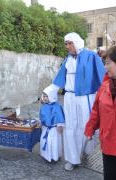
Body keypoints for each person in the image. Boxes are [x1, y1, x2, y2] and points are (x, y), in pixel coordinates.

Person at [43, 32, 105, 171]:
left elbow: (102, 77)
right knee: (70, 127)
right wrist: (47, 92)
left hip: (86, 97)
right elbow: (58, 79)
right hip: (70, 97)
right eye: (66, 44)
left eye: (70, 43)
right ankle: (72, 158)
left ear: (77, 42)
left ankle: (85, 151)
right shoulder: (68, 59)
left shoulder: (91, 56)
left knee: (87, 127)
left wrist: (105, 96)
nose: (67, 46)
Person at [85, 46, 116, 180]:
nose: (105, 67)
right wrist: (90, 129)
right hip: (108, 143)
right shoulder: (104, 87)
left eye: (108, 63)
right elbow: (96, 111)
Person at [39, 85, 65, 163]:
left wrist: (60, 125)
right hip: (46, 128)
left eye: (47, 96)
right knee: (45, 141)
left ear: (52, 96)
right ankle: (46, 155)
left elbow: (60, 117)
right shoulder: (43, 106)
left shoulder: (57, 106)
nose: (45, 98)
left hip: (54, 130)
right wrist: (41, 122)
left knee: (54, 143)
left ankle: (54, 156)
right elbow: (42, 116)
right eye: (44, 96)